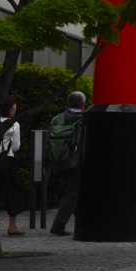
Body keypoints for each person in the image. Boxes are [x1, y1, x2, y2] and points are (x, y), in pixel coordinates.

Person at [49, 91, 86, 236]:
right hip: (76, 162)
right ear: (83, 105)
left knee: (71, 191)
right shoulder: (84, 119)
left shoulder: (57, 119)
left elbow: (48, 141)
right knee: (72, 193)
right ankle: (58, 226)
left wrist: (47, 164)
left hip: (59, 161)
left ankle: (83, 222)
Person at [0, 98, 25, 237]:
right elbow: (16, 146)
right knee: (12, 192)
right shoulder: (14, 124)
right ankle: (12, 226)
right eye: (14, 108)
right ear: (9, 109)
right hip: (8, 160)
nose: (15, 110)